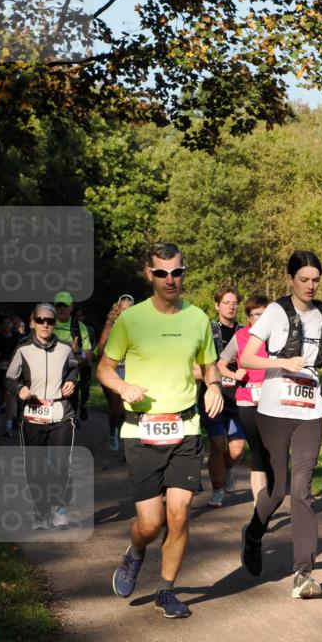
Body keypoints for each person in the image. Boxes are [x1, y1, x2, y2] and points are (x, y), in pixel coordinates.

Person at [97, 243, 224, 619]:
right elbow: (104, 368)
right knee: (151, 524)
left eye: (177, 272)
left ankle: (166, 590)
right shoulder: (131, 320)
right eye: (162, 273)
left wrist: (214, 385)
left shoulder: (198, 318)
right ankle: (136, 552)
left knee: (180, 513)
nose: (171, 279)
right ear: (148, 274)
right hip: (141, 431)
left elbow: (210, 365)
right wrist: (121, 388)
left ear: (185, 272)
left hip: (185, 427)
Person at [239, 251, 322, 598]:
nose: (310, 285)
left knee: (302, 490)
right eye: (303, 279)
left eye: (315, 279)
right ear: (291, 279)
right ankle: (253, 533)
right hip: (274, 410)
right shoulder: (275, 312)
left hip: (311, 411)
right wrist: (283, 361)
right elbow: (247, 357)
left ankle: (303, 573)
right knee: (278, 489)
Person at [4, 303, 78, 529]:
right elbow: (9, 378)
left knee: (60, 464)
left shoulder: (65, 348)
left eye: (51, 321)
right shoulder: (22, 349)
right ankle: (40, 512)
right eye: (41, 320)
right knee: (35, 468)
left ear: (56, 323)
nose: (46, 324)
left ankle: (59, 507)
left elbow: (74, 369)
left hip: (61, 416)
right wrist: (19, 390)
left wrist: (72, 381)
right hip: (32, 417)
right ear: (32, 323)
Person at [216, 294, 270, 502]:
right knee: (257, 449)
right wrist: (234, 374)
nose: (261, 319)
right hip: (247, 398)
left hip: (273, 399)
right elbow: (220, 366)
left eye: (265, 315)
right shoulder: (240, 336)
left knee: (272, 449)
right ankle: (259, 505)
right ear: (248, 316)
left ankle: (273, 491)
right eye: (257, 315)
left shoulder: (277, 335)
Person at [202, 287, 245, 508]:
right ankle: (217, 489)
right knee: (218, 445)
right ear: (217, 305)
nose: (231, 306)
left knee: (237, 449)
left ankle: (227, 469)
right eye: (226, 302)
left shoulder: (245, 332)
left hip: (238, 396)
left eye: (234, 302)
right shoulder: (208, 330)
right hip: (214, 395)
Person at [95, 295, 135, 451]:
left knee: (130, 409)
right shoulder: (111, 325)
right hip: (114, 370)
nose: (126, 312)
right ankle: (113, 431)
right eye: (123, 309)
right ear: (118, 310)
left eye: (130, 309)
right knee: (116, 409)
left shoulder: (139, 325)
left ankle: (129, 444)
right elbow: (99, 350)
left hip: (132, 370)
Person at [53, 292, 93, 423]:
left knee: (68, 419)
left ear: (71, 308)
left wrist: (77, 351)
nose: (62, 309)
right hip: (47, 377)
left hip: (70, 379)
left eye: (65, 306)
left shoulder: (78, 327)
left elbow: (88, 357)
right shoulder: (47, 323)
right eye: (59, 306)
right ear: (54, 307)